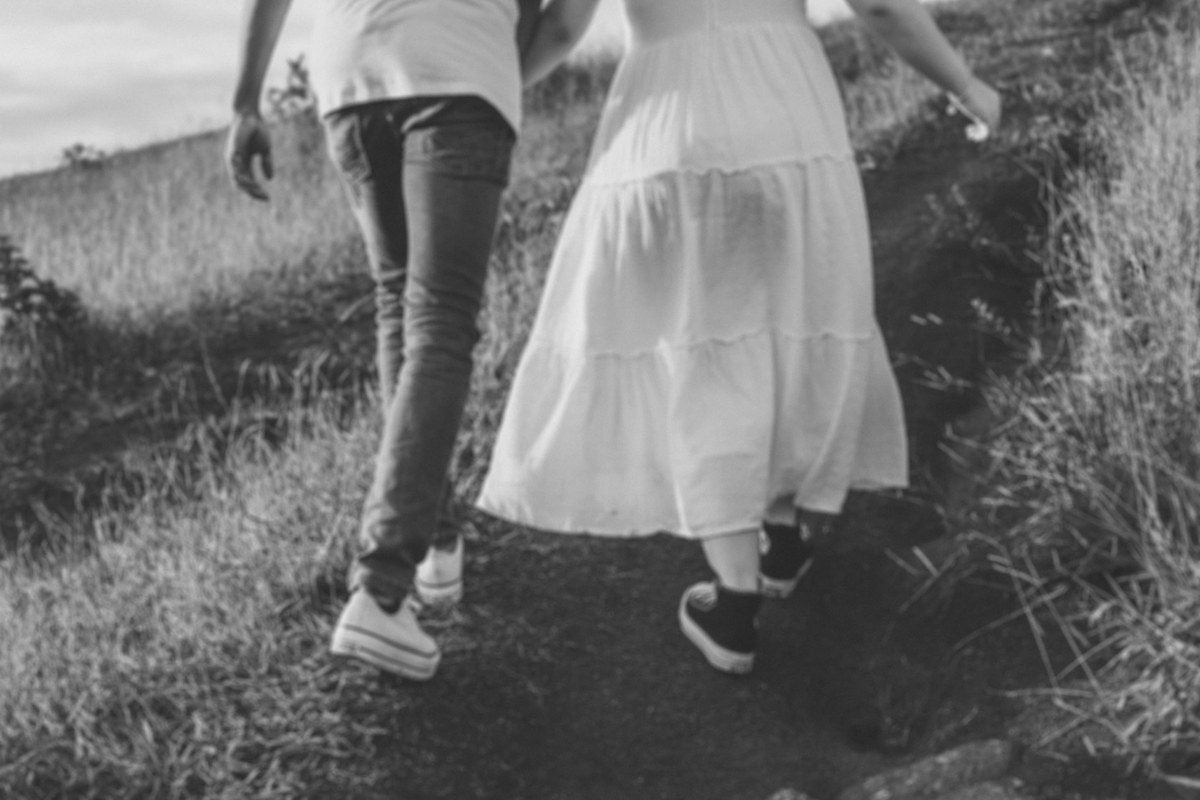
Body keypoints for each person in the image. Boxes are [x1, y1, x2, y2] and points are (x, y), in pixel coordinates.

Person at [478, 0, 1002, 674]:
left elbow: (559, 26)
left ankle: (736, 596)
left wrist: (492, 90)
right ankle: (783, 533)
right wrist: (964, 84)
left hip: (664, 125)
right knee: (786, 316)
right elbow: (877, 6)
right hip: (784, 114)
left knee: (700, 345)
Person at [226, 0, 540, 681]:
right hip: (459, 73)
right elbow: (557, 15)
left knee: (401, 310)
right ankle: (381, 585)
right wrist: (492, 73)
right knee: (440, 322)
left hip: (354, 73)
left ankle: (437, 537)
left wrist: (246, 102)